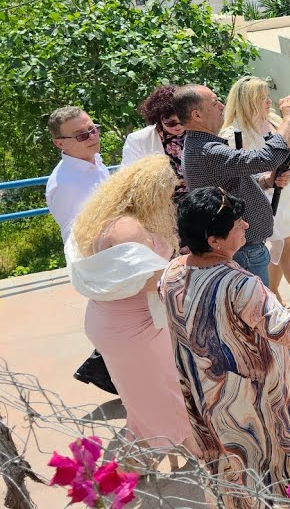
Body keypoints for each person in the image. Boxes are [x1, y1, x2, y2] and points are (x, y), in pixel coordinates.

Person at [159, 188, 290, 507]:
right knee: (276, 465)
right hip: (253, 403)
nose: (246, 226)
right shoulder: (241, 285)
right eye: (238, 223)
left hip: (208, 399)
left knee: (233, 472)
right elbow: (289, 332)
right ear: (214, 240)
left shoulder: (172, 273)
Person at [67, 156, 194, 461]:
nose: (170, 200)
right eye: (166, 193)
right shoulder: (129, 229)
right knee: (165, 399)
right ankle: (210, 464)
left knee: (146, 402)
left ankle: (130, 468)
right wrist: (193, 266)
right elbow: (150, 281)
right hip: (134, 329)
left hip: (114, 323)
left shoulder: (104, 219)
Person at [174, 84, 290, 285]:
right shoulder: (208, 150)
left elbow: (231, 182)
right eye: (214, 103)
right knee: (254, 304)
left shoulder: (200, 146)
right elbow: (267, 158)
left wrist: (267, 181)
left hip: (243, 248)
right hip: (244, 252)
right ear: (197, 115)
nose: (222, 106)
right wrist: (289, 118)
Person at [220, 77, 290, 309]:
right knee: (284, 243)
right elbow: (238, 170)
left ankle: (274, 293)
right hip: (262, 195)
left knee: (280, 244)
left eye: (267, 96)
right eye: (261, 98)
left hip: (286, 190)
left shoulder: (273, 120)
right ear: (247, 101)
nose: (267, 102)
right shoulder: (233, 133)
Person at [45, 106, 110, 244]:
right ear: (60, 143)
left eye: (93, 129)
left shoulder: (96, 160)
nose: (92, 137)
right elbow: (74, 238)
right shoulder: (63, 184)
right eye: (81, 135)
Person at [121, 85, 187, 200]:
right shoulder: (138, 140)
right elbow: (128, 179)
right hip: (158, 203)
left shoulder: (199, 133)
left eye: (183, 121)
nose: (178, 126)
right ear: (158, 118)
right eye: (171, 123)